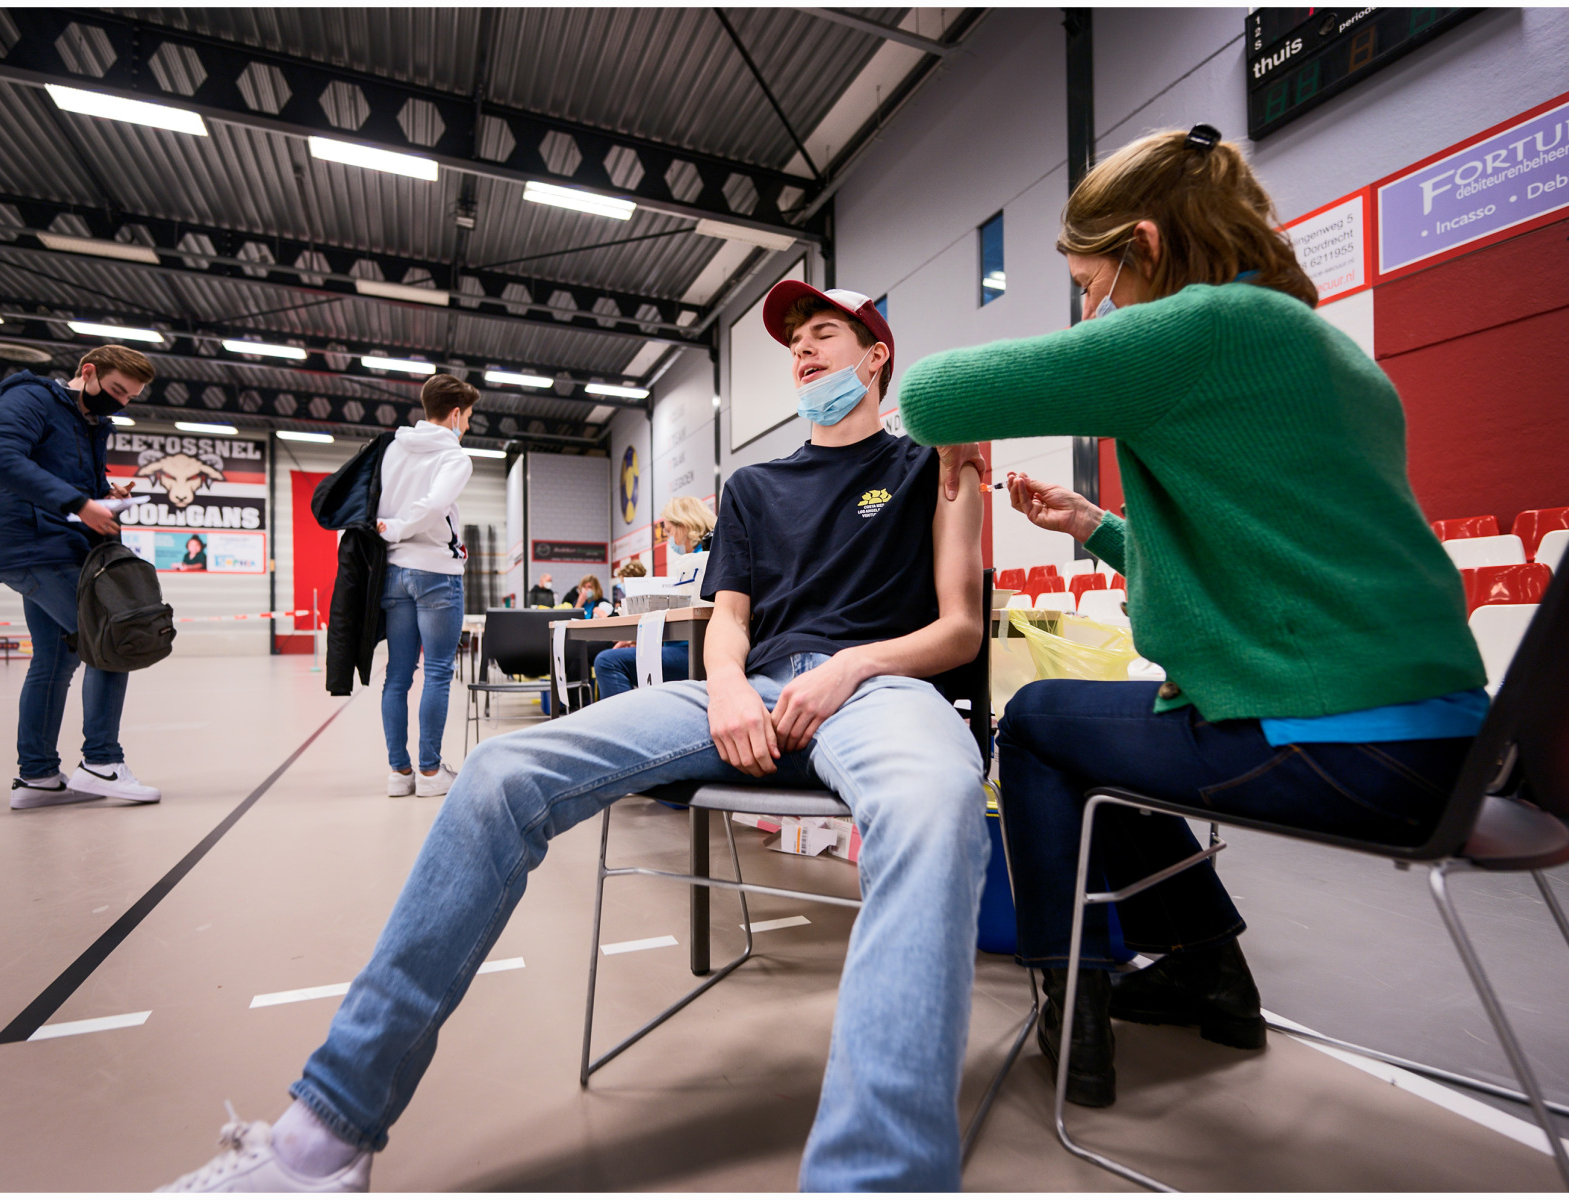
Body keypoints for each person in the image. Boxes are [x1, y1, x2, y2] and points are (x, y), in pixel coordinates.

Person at [159, 280, 989, 1192]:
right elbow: (729, 620)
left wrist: (849, 667)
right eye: (794, 342)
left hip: (877, 691)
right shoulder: (753, 488)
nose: (802, 351)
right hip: (746, 689)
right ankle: (320, 1141)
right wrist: (724, 686)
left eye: (824, 333)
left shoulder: (935, 464)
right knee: (499, 771)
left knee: (935, 804)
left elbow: (960, 629)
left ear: (877, 357)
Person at [897, 125, 1489, 1108]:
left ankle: (1073, 1006)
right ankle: (1206, 975)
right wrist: (1093, 525)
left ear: (1146, 244)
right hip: (1445, 746)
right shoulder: (1321, 346)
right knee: (1118, 729)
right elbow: (1254, 562)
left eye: (1093, 285)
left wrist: (973, 422)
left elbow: (929, 395)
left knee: (1039, 724)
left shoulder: (1200, 328)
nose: (1095, 310)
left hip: (1342, 748)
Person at [0, 345, 164, 810]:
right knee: (111, 638)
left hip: (56, 546)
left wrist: (103, 494)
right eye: (117, 390)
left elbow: (67, 480)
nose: (121, 402)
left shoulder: (90, 422)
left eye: (130, 397)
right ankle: (102, 762)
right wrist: (80, 503)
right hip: (33, 545)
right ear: (89, 371)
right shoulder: (30, 398)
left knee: (56, 659)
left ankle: (38, 777)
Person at [374, 374, 478, 800]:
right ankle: (431, 772)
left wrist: (392, 532)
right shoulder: (455, 457)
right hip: (435, 573)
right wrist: (401, 527)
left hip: (394, 572)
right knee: (437, 671)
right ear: (454, 414)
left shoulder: (393, 448)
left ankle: (399, 773)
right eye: (467, 417)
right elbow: (434, 505)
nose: (467, 425)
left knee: (397, 675)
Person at [594, 496, 717, 699]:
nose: (669, 538)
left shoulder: (700, 562)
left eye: (669, 531)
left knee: (608, 662)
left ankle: (629, 720)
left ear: (684, 526)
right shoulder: (698, 560)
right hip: (694, 648)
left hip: (699, 653)